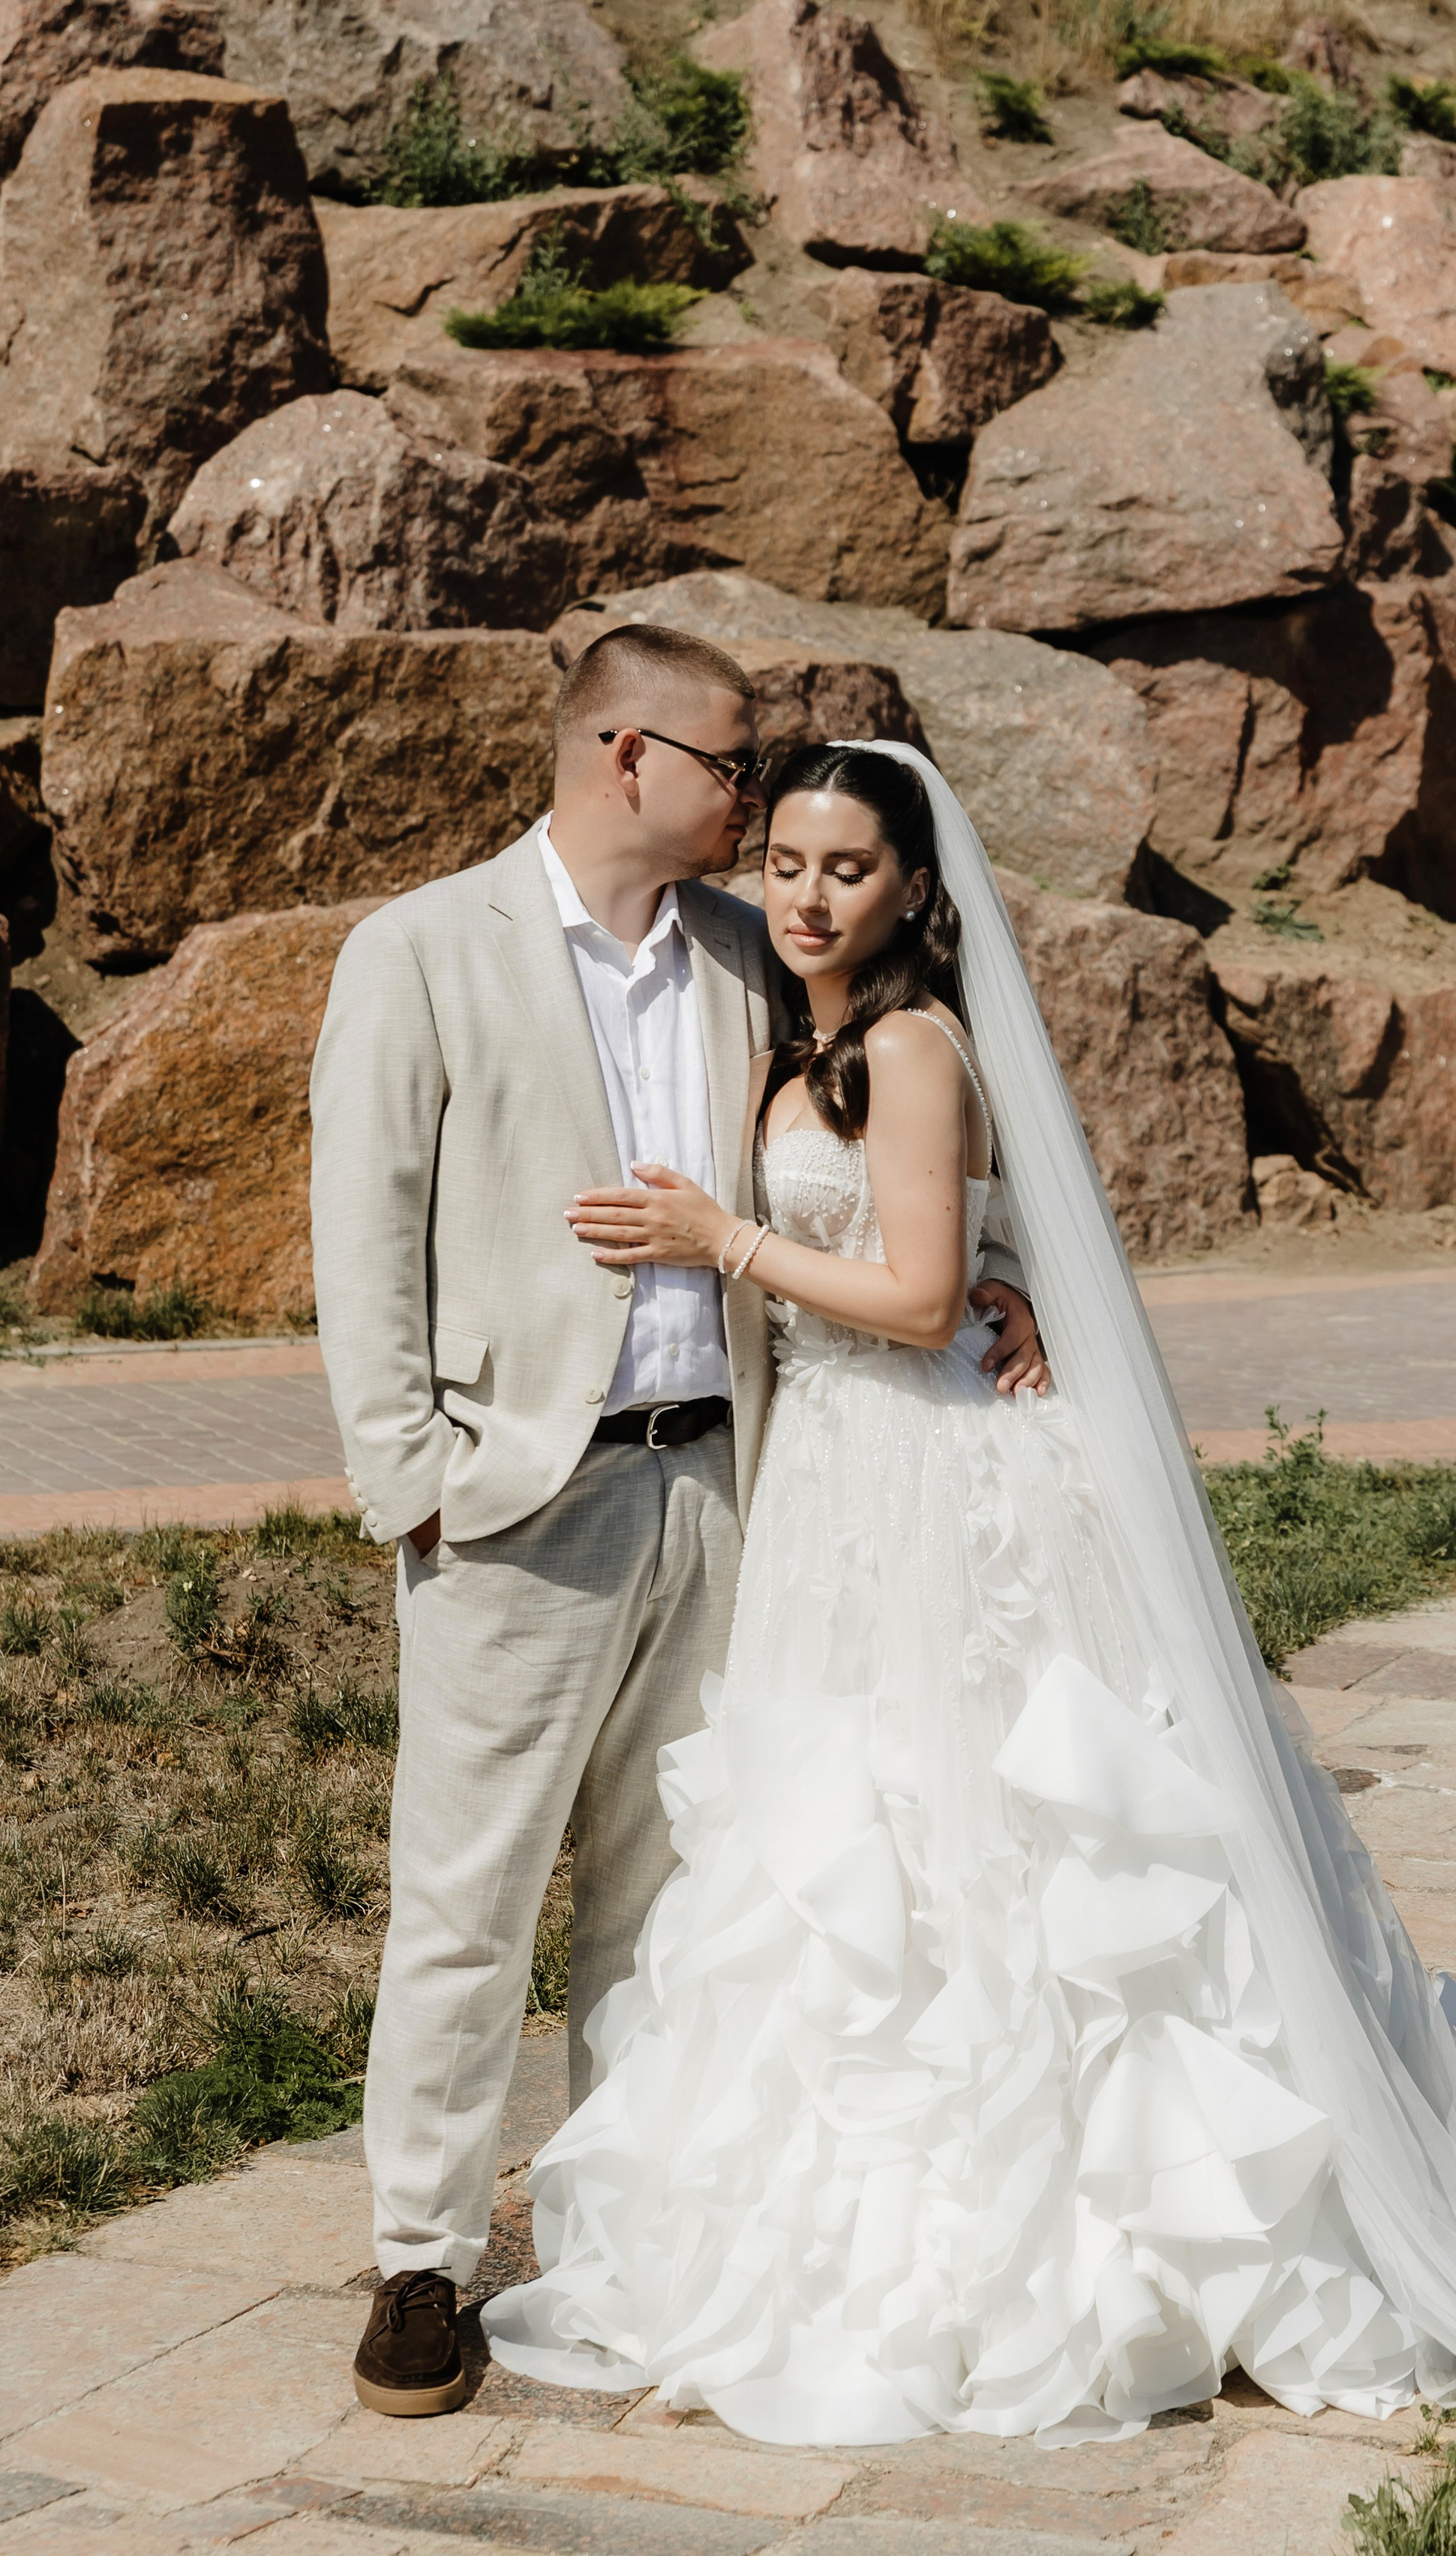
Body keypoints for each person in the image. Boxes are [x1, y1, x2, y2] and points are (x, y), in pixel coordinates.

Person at [478, 742, 1456, 2486]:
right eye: (787, 860)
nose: (806, 895)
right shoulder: (803, 1035)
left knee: (998, 1836)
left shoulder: (911, 1044)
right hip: (832, 1486)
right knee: (848, 1837)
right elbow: (957, 1250)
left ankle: (1074, 2223)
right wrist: (1004, 1275)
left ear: (913, 889)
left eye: (846, 868)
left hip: (932, 1480)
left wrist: (719, 1238)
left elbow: (910, 1297)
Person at [309, 632, 1044, 2419]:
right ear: (627, 754)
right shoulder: (423, 949)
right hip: (517, 1500)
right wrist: (413, 1479)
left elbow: (906, 1105)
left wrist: (1005, 1271)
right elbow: (362, 1232)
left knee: (671, 1895)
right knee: (468, 1900)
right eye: (736, 764)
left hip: (730, 1482)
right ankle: (422, 2257)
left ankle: (621, 2230)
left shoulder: (744, 949)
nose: (757, 796)